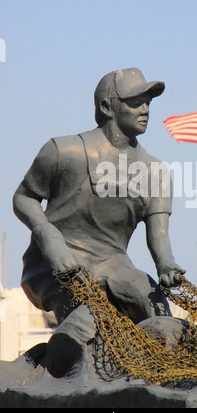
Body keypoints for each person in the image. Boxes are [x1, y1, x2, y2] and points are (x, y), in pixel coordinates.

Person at [13, 67, 185, 377]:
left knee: (152, 302)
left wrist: (166, 265)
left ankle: (166, 372)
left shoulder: (155, 171)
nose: (145, 109)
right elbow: (23, 198)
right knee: (93, 318)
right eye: (135, 101)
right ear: (107, 107)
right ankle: (66, 359)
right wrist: (48, 237)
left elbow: (158, 234)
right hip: (60, 264)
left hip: (114, 263)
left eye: (148, 101)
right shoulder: (65, 151)